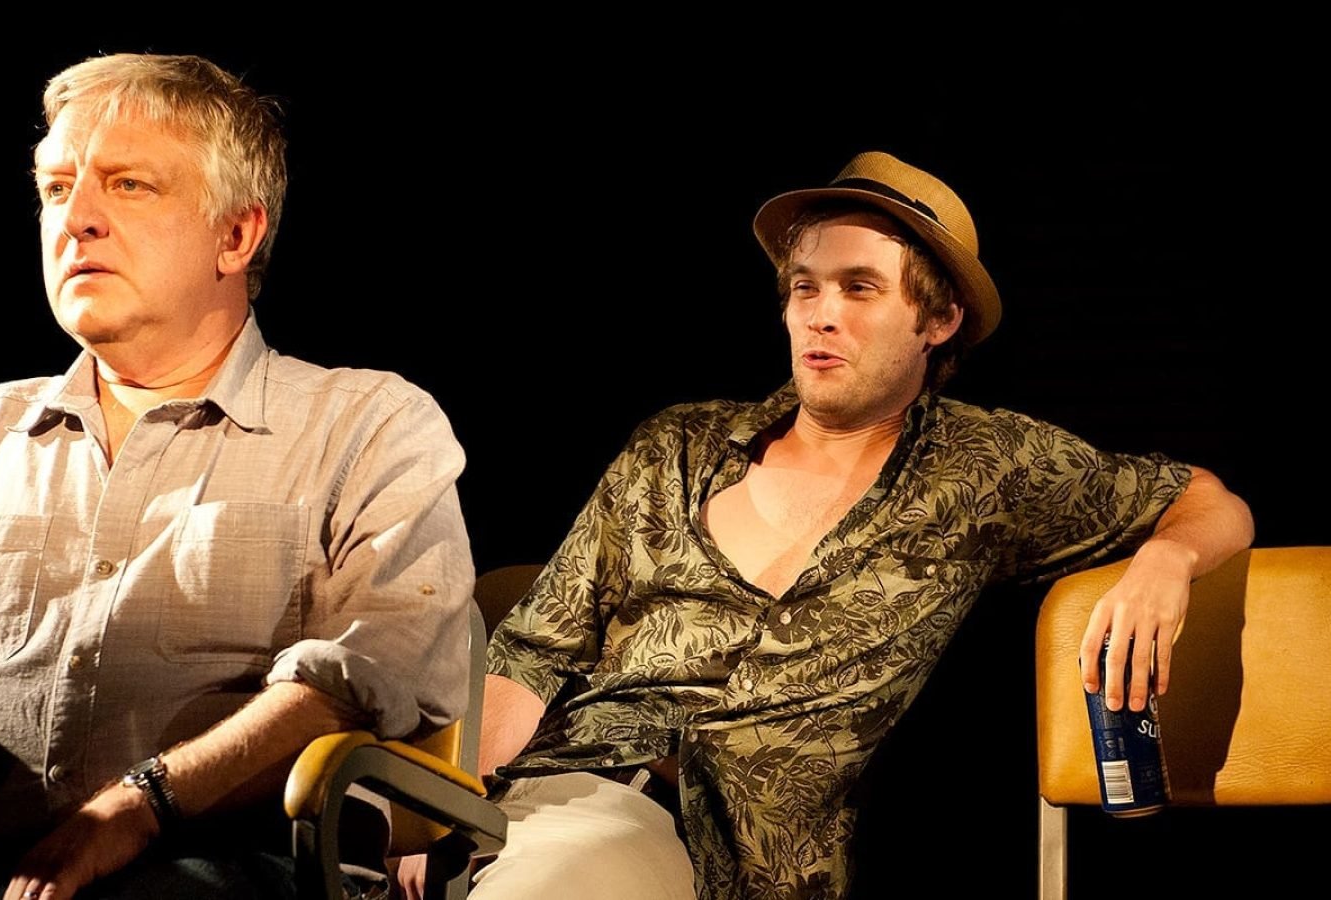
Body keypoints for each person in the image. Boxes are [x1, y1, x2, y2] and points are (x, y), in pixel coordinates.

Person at [397, 151, 1254, 900]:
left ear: (940, 318)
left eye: (859, 288)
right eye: (804, 286)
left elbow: (1207, 497)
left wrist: (1166, 562)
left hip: (745, 862)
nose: (820, 312)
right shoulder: (677, 446)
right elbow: (536, 650)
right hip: (560, 800)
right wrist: (440, 808)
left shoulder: (985, 467)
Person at [0, 53, 473, 900]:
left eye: (127, 186)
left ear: (236, 235)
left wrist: (137, 807)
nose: (75, 217)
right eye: (55, 189)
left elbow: (369, 677)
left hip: (222, 866)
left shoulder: (370, 424)